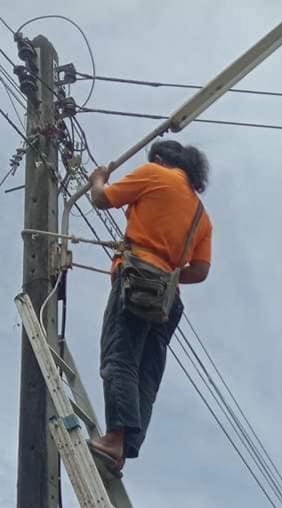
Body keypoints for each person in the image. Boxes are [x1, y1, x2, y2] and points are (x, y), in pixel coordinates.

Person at [87, 139, 213, 476]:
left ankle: (114, 439)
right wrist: (168, 275)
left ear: (158, 159)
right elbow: (200, 271)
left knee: (120, 358)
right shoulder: (201, 213)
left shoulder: (154, 174)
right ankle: (124, 449)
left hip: (137, 280)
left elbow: (102, 199)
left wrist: (98, 178)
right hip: (169, 299)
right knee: (147, 372)